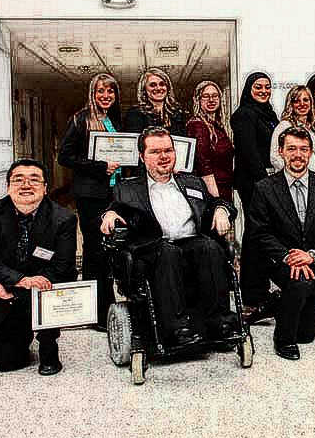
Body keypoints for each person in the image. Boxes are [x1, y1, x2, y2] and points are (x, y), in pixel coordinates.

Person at [99, 127, 238, 346]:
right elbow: (113, 208)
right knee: (168, 252)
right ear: (142, 157)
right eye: (155, 152)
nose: (163, 156)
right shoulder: (127, 189)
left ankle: (220, 323)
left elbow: (217, 202)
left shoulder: (192, 182)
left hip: (191, 245)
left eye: (168, 150)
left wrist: (221, 210)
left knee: (209, 247)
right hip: (154, 250)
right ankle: (177, 329)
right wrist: (109, 214)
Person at [246, 127, 315, 360]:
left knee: (306, 335)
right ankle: (283, 339)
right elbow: (259, 233)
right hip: (281, 261)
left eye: (303, 149)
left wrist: (312, 255)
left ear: (311, 152)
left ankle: (278, 303)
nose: (297, 154)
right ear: (280, 151)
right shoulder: (264, 188)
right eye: (291, 149)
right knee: (299, 282)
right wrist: (288, 257)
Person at [0, 159, 77, 375]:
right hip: (4, 291)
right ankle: (21, 331)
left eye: (34, 180)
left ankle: (48, 342)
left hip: (43, 289)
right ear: (8, 186)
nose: (26, 185)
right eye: (18, 180)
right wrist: (19, 281)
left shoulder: (63, 218)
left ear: (45, 188)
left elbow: (63, 265)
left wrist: (16, 289)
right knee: (3, 360)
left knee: (52, 287)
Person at [57, 72, 122, 328]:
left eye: (110, 91)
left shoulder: (114, 119)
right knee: (94, 250)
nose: (106, 96)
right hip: (90, 195)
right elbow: (64, 156)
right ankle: (96, 313)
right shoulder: (80, 119)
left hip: (113, 193)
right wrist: (99, 167)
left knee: (108, 249)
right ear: (92, 94)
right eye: (100, 91)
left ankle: (108, 304)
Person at [230, 72, 279, 311]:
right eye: (258, 87)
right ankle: (251, 294)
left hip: (265, 181)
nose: (263, 91)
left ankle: (260, 289)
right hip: (253, 182)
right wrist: (264, 184)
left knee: (261, 233)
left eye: (267, 87)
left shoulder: (269, 114)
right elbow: (249, 152)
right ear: (249, 89)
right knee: (254, 236)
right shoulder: (244, 114)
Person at [186, 80, 235, 202]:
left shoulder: (218, 125)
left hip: (224, 187)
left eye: (215, 96)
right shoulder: (197, 125)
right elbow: (203, 165)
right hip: (212, 191)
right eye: (206, 96)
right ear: (198, 100)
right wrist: (216, 200)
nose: (211, 100)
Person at [269, 85, 315, 176]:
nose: (302, 104)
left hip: (313, 180)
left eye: (305, 100)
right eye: (297, 101)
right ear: (291, 104)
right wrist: (297, 176)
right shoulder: (284, 126)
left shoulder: (312, 127)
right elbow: (275, 158)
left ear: (311, 102)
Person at [123, 67, 189, 136]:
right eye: (153, 85)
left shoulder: (178, 113)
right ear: (144, 89)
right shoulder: (135, 114)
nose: (158, 88)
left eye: (162, 84)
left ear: (168, 87)